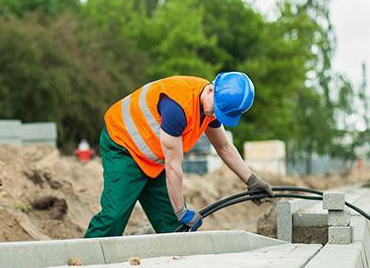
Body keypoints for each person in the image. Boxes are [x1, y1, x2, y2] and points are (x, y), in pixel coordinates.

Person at [84, 73, 274, 237]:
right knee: (114, 216)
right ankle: (81, 263)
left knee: (175, 227)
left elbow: (224, 147)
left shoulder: (210, 107)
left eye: (220, 114)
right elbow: (173, 166)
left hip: (154, 158)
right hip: (123, 145)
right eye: (216, 110)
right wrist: (181, 211)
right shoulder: (177, 106)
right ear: (210, 90)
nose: (215, 116)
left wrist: (251, 180)